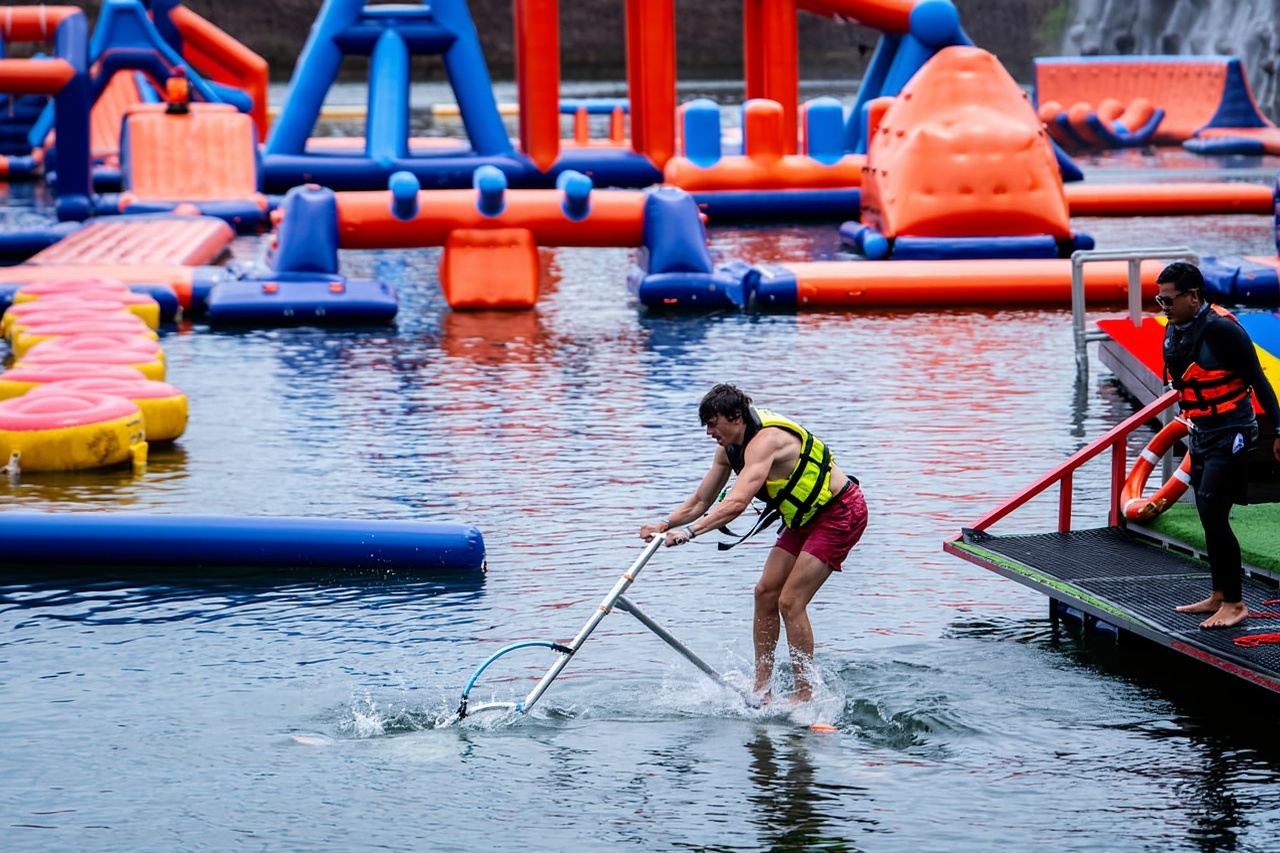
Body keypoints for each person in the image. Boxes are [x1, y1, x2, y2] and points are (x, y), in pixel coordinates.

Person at [639, 384, 868, 702]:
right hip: (802, 518)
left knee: (790, 601)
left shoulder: (765, 442)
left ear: (735, 417)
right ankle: (763, 689)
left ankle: (805, 695)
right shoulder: (728, 448)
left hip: (840, 513)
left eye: (712, 423)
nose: (709, 432)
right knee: (764, 593)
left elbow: (736, 503)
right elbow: (702, 499)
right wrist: (666, 523)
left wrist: (691, 533)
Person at [1157, 262, 1280, 628]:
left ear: (1193, 297)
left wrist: (1278, 433)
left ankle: (1236, 603)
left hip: (1234, 431)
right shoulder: (1176, 329)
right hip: (1203, 431)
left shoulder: (1223, 330)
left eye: (1168, 300)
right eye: (1158, 300)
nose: (1163, 307)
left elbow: (1259, 382)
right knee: (1207, 512)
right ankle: (1217, 595)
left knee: (1214, 508)